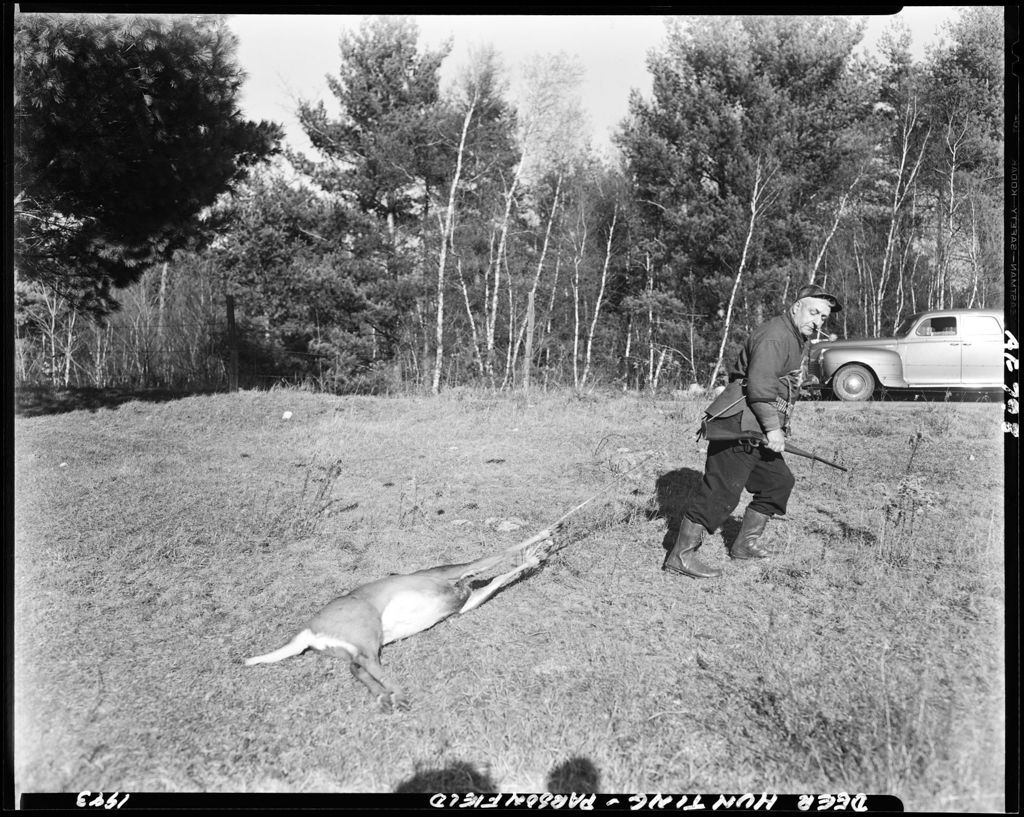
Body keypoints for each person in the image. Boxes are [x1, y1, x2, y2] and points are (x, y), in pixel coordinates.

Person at [663, 283, 842, 579]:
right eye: (814, 312)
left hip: (756, 426)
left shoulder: (794, 337)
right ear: (796, 307)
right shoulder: (776, 336)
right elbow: (759, 388)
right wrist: (774, 430)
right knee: (721, 492)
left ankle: (744, 546)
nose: (818, 321)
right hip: (739, 425)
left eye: (823, 317)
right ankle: (680, 556)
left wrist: (776, 427)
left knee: (777, 482)